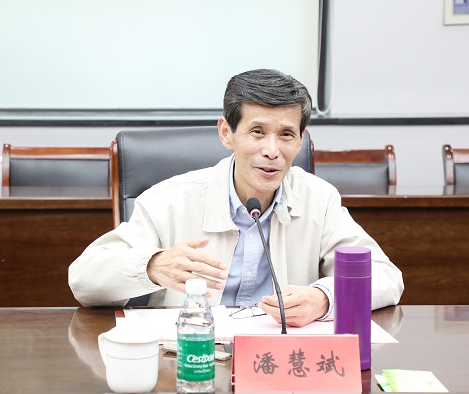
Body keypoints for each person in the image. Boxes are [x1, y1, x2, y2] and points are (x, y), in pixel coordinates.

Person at [69, 69, 404, 327]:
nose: (271, 151)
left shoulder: (319, 199)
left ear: (301, 139)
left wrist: (325, 298)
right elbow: (84, 280)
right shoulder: (168, 200)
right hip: (191, 356)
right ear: (226, 133)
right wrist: (152, 265)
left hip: (281, 362)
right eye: (257, 132)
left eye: (286, 134)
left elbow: (385, 276)